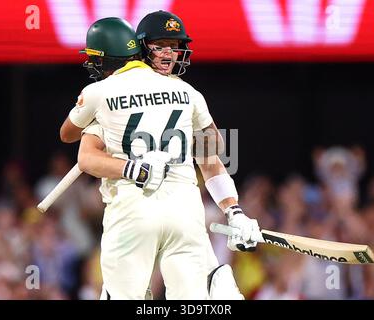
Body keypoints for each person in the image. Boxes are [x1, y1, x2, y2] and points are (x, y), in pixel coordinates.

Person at [61, 14, 261, 299]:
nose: (169, 53)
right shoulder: (187, 91)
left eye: (173, 45)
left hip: (133, 206)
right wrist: (234, 211)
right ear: (140, 48)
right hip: (186, 210)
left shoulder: (100, 94)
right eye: (161, 45)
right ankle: (217, 287)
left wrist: (133, 166)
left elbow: (74, 144)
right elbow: (212, 154)